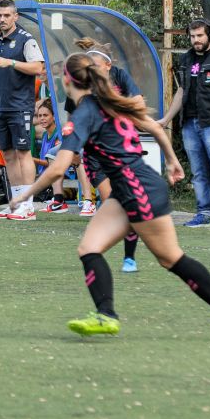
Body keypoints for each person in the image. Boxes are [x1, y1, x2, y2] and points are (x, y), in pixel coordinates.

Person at [10, 52, 210, 341]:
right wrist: (172, 160)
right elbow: (152, 127)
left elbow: (58, 167)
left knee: (170, 258)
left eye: (59, 73)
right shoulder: (108, 102)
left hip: (139, 191)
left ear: (67, 79)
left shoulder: (85, 113)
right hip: (127, 190)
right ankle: (105, 315)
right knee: (89, 248)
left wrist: (25, 195)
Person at [158, 18, 210, 228]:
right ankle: (204, 213)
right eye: (193, 36)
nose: (196, 40)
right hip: (189, 122)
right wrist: (166, 119)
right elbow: (181, 91)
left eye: (200, 36)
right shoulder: (186, 59)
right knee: (198, 172)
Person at [70, 38, 145, 270]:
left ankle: (129, 256)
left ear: (107, 66)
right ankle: (97, 251)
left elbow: (139, 103)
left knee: (125, 203)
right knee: (111, 200)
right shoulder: (82, 83)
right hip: (95, 154)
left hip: (120, 151)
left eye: (94, 64)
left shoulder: (120, 77)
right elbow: (72, 118)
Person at [0, 0, 46, 221]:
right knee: (7, 154)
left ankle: (28, 205)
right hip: (3, 108)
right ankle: (16, 203)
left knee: (23, 153)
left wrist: (11, 63)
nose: (2, 19)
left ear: (16, 17)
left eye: (7, 15)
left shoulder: (26, 40)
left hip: (20, 107)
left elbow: (38, 67)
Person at [32, 98, 67, 212]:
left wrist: (32, 160)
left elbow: (52, 161)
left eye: (45, 115)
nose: (42, 118)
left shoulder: (59, 134)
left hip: (62, 171)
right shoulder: (44, 135)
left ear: (54, 116)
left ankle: (57, 199)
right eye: (39, 115)